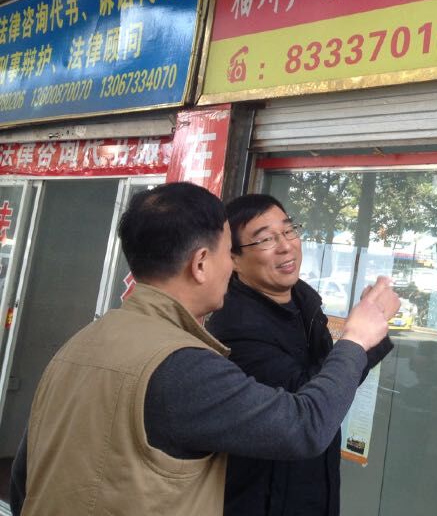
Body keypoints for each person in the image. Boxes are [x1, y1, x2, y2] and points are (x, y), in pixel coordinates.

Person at [9, 182, 398, 516]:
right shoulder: (182, 364)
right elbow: (304, 427)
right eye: (227, 252)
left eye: (287, 231)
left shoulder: (77, 344)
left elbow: (24, 477)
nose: (230, 270)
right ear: (200, 264)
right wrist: (356, 339)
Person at [206, 194, 393, 516]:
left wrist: (368, 325)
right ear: (233, 258)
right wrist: (362, 338)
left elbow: (332, 383)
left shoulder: (305, 305)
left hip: (314, 484)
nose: (285, 246)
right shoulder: (234, 325)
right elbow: (308, 401)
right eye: (265, 239)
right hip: (265, 498)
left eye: (289, 230)